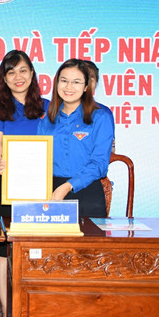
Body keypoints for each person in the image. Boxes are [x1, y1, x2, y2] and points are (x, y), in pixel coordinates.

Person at [0, 50, 49, 317]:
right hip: (7, 181)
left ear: (32, 74)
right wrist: (13, 165)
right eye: (11, 72)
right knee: (3, 248)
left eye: (23, 70)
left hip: (41, 184)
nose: (18, 77)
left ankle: (35, 308)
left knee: (37, 244)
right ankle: (8, 312)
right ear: (4, 78)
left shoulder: (48, 107)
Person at [38, 59, 114, 217]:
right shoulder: (47, 119)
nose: (69, 87)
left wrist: (68, 186)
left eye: (76, 82)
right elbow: (37, 158)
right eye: (64, 80)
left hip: (86, 192)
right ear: (56, 83)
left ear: (86, 86)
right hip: (50, 194)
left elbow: (99, 163)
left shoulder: (101, 117)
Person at [84, 60, 115, 153]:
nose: (87, 83)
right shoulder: (58, 110)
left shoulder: (103, 113)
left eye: (91, 79)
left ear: (96, 83)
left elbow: (110, 151)